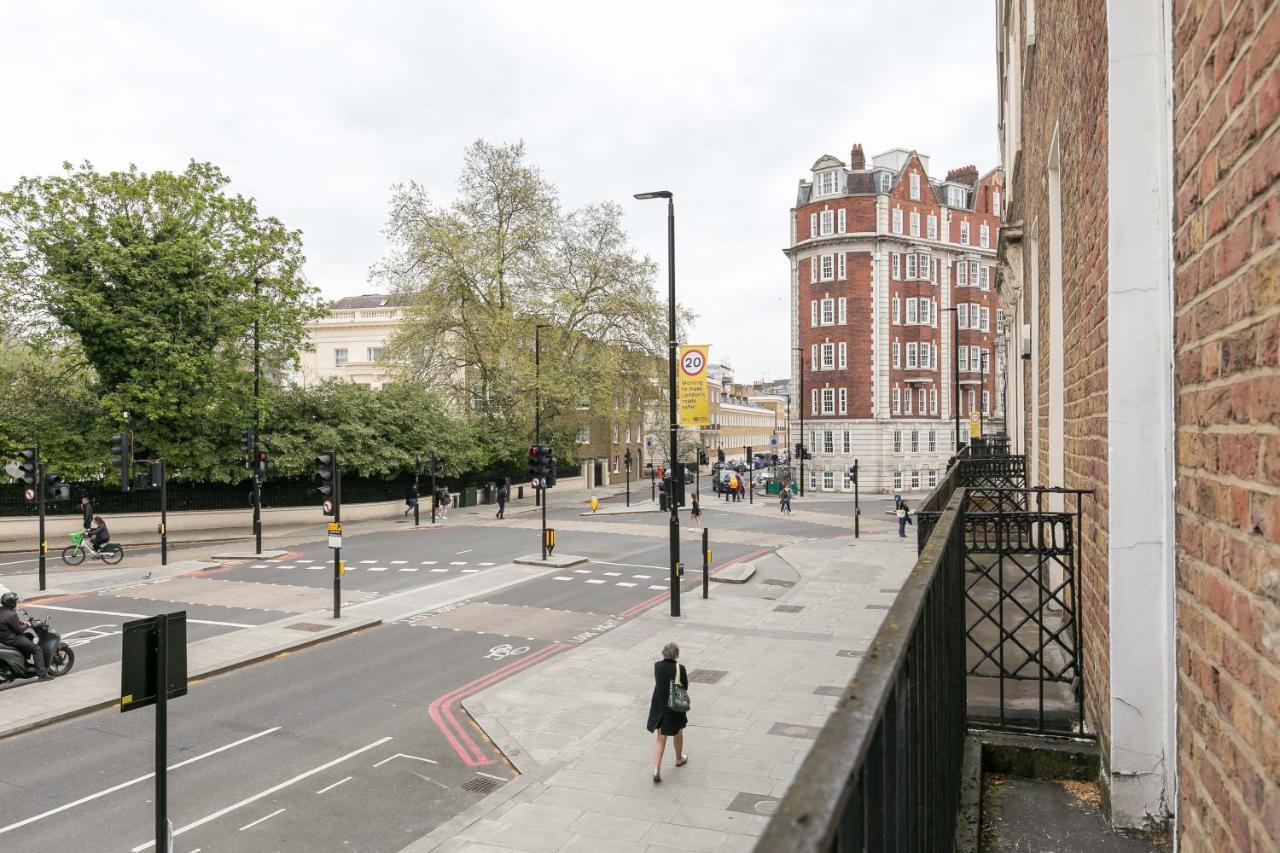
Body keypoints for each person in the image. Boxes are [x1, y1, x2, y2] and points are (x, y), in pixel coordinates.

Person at [646, 641, 689, 783]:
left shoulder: (657, 666)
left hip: (659, 705)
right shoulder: (680, 668)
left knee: (661, 737)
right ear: (676, 654)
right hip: (674, 707)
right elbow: (685, 686)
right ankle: (678, 758)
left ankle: (656, 770)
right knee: (678, 733)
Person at [0, 592, 52, 680]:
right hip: (12, 639)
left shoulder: (2, 611)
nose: (16, 603)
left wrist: (21, 623)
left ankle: (24, 662)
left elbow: (6, 623)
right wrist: (28, 624)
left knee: (29, 636)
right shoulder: (11, 614)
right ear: (12, 603)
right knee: (37, 650)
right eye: (15, 601)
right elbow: (19, 630)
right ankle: (42, 675)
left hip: (3, 637)